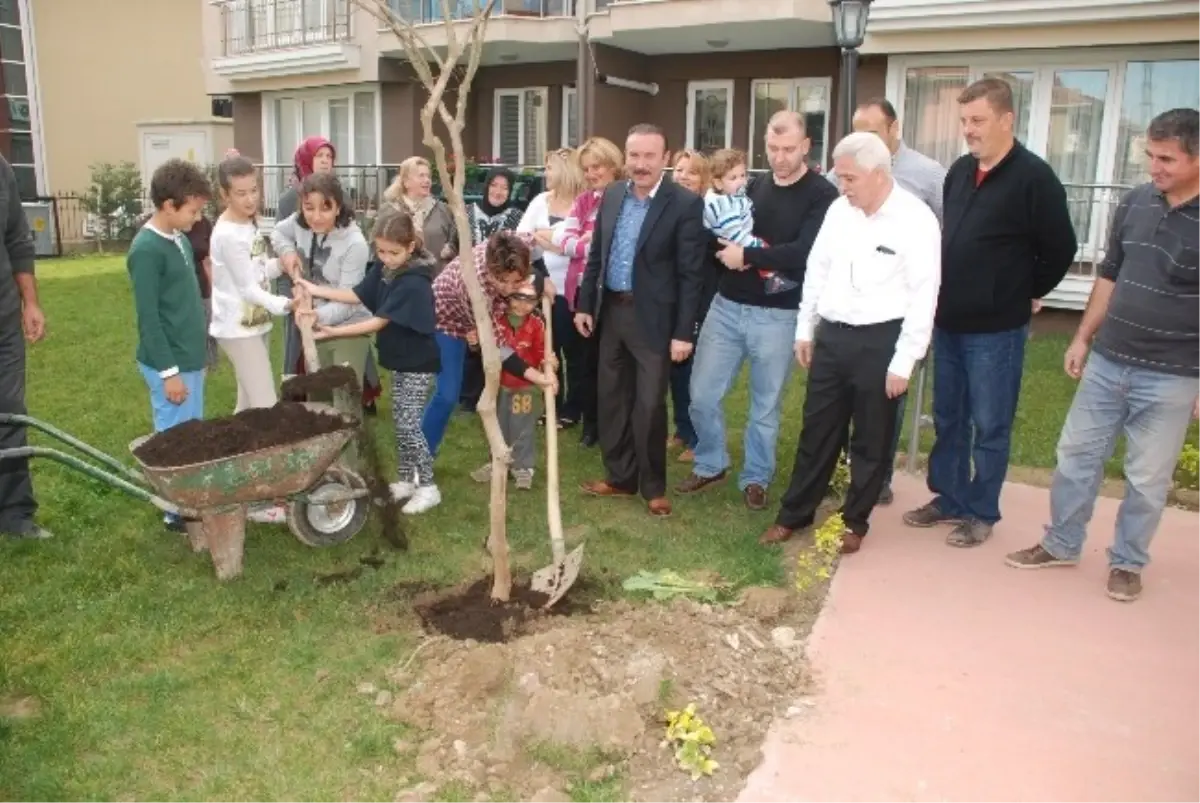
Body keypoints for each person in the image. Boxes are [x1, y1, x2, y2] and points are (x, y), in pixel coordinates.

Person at [1004, 108, 1200, 603]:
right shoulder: (1136, 202)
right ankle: (1062, 542)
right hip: (1110, 360)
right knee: (1074, 458)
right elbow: (1109, 276)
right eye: (1150, 155)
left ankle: (1128, 562)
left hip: (1173, 375)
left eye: (1167, 159)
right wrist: (1082, 338)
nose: (1154, 167)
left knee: (1147, 479)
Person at [902, 78, 1078, 548]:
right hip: (949, 320)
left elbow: (1061, 249)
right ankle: (951, 498)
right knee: (949, 416)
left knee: (991, 421)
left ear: (1006, 120)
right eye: (964, 121)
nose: (968, 130)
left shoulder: (1034, 178)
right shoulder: (960, 171)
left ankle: (982, 510)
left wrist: (1024, 290)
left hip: (997, 329)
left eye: (977, 120)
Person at [759, 133, 941, 553]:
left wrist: (905, 360)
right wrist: (806, 328)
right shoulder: (839, 212)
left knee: (871, 438)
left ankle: (854, 520)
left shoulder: (916, 219)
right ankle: (794, 514)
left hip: (882, 340)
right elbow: (817, 269)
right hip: (834, 336)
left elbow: (924, 293)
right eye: (839, 177)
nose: (842, 186)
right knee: (817, 429)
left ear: (878, 174)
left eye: (850, 178)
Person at [678, 111, 838, 510]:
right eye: (772, 148)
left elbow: (806, 253)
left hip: (779, 314)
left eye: (788, 149)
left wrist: (747, 254)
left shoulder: (821, 195)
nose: (779, 157)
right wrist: (724, 250)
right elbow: (719, 234)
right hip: (727, 307)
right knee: (700, 396)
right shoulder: (751, 187)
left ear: (805, 147)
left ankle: (756, 477)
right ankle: (711, 462)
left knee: (764, 406)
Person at [574, 123, 706, 517]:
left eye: (650, 156)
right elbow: (597, 254)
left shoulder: (684, 204)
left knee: (649, 405)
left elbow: (691, 275)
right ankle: (620, 477)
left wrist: (684, 332)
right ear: (625, 158)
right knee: (611, 398)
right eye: (635, 156)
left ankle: (653, 487)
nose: (641, 164)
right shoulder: (613, 195)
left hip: (655, 320)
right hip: (611, 311)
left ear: (665, 159)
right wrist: (585, 305)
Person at [299, 203, 444, 515]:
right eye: (380, 251)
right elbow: (357, 294)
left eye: (392, 252)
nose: (385, 258)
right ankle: (407, 480)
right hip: (400, 360)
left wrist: (332, 333)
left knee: (407, 423)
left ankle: (429, 486)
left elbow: (378, 322)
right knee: (402, 423)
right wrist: (315, 288)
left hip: (419, 363)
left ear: (410, 247)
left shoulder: (413, 281)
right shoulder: (386, 269)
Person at [844, 98, 948, 505]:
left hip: (901, 311)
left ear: (894, 129)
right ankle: (850, 470)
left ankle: (879, 476)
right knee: (849, 396)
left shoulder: (927, 175)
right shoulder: (846, 169)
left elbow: (944, 235)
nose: (863, 138)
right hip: (852, 308)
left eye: (871, 130)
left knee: (889, 394)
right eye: (857, 129)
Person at [126, 159, 212, 533]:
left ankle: (185, 499)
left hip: (188, 357)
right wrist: (169, 373)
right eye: (193, 211)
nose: (198, 218)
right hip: (170, 363)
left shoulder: (177, 238)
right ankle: (176, 509)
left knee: (191, 433)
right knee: (176, 437)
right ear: (168, 205)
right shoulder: (146, 251)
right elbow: (149, 321)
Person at [422, 231, 545, 457]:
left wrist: (542, 279)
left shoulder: (513, 244)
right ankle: (421, 456)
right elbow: (496, 347)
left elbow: (538, 235)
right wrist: (535, 376)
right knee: (447, 394)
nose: (509, 288)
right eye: (503, 281)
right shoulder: (476, 291)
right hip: (444, 321)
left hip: (474, 319)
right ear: (490, 270)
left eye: (516, 281)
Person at [271, 172, 372, 396]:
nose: (316, 217)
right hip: (314, 325)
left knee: (344, 397)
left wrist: (315, 316)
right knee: (319, 396)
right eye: (309, 207)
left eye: (325, 208)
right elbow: (278, 232)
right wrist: (288, 253)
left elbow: (349, 301)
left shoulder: (355, 244)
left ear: (338, 207)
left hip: (349, 329)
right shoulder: (299, 223)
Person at [554, 136, 624, 448]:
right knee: (585, 362)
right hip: (581, 293)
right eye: (587, 169)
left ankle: (612, 426)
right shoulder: (583, 200)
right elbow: (563, 242)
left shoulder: (623, 198)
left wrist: (584, 243)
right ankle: (590, 425)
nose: (592, 173)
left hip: (610, 294)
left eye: (597, 167)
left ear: (612, 166)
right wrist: (588, 243)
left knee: (611, 365)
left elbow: (608, 247)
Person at [208, 154, 292, 413]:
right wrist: (287, 303)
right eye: (241, 193)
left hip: (255, 323)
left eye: (254, 190)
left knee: (248, 404)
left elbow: (257, 272)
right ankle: (267, 453)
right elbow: (247, 288)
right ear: (225, 195)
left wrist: (281, 265)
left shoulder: (247, 224)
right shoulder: (228, 235)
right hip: (238, 329)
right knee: (266, 405)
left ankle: (238, 452)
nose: (250, 199)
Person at [518, 148, 588, 429]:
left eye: (549, 167)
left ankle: (574, 408)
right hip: (546, 289)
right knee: (548, 350)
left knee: (576, 354)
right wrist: (550, 245)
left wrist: (548, 240)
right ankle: (552, 405)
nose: (545, 173)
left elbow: (582, 248)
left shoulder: (583, 204)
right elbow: (523, 240)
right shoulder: (540, 201)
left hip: (577, 291)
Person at [469, 279, 559, 490]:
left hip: (525, 387)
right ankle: (497, 462)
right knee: (497, 425)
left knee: (521, 428)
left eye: (530, 300)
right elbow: (482, 350)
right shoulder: (495, 320)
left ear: (537, 301)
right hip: (497, 385)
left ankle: (523, 468)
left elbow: (542, 354)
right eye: (518, 297)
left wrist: (550, 366)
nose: (522, 305)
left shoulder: (537, 325)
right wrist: (474, 342)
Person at [0, 153, 47, 540]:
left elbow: (17, 238)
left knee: (10, 414)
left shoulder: (1, 169)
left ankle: (16, 514)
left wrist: (29, 301)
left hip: (3, 319)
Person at [667, 149, 717, 463]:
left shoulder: (709, 214)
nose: (684, 176)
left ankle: (699, 438)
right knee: (675, 372)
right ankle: (682, 429)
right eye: (679, 169)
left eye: (692, 172)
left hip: (699, 302)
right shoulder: (668, 208)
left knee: (694, 375)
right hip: (671, 301)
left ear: (704, 180)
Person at [460, 167, 524, 414]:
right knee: (472, 340)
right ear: (486, 187)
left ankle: (496, 392)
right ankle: (468, 396)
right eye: (494, 186)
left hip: (501, 288)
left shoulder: (517, 216)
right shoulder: (467, 212)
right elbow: (457, 243)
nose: (499, 191)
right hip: (471, 285)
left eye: (505, 187)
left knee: (497, 338)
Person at [383, 156, 457, 272]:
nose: (427, 180)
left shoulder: (443, 210)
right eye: (421, 176)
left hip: (436, 282)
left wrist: (450, 249)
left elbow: (456, 241)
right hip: (401, 281)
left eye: (428, 176)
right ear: (406, 182)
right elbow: (377, 246)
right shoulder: (390, 211)